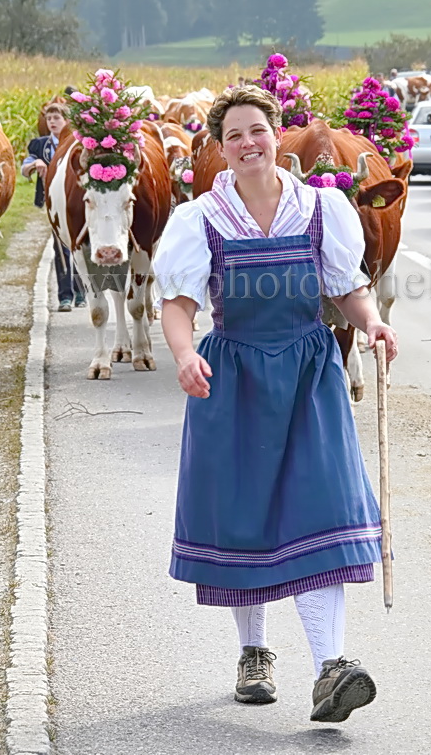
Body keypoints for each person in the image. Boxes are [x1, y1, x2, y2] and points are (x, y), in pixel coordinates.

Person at [153, 85, 398, 722]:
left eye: (256, 130)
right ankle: (254, 651)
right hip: (233, 376)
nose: (247, 144)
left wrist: (370, 323)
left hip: (310, 375)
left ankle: (331, 667)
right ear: (220, 146)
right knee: (244, 517)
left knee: (322, 509)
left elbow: (349, 288)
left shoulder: (322, 208)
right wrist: (184, 355)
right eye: (233, 135)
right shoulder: (201, 219)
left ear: (276, 132)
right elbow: (177, 305)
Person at [22, 103, 86, 312]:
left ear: (66, 121)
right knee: (61, 248)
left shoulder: (77, 145)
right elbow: (24, 167)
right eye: (49, 119)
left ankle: (81, 292)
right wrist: (36, 164)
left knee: (81, 245)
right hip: (55, 204)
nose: (52, 122)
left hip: (77, 202)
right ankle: (65, 296)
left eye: (56, 118)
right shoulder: (41, 145)